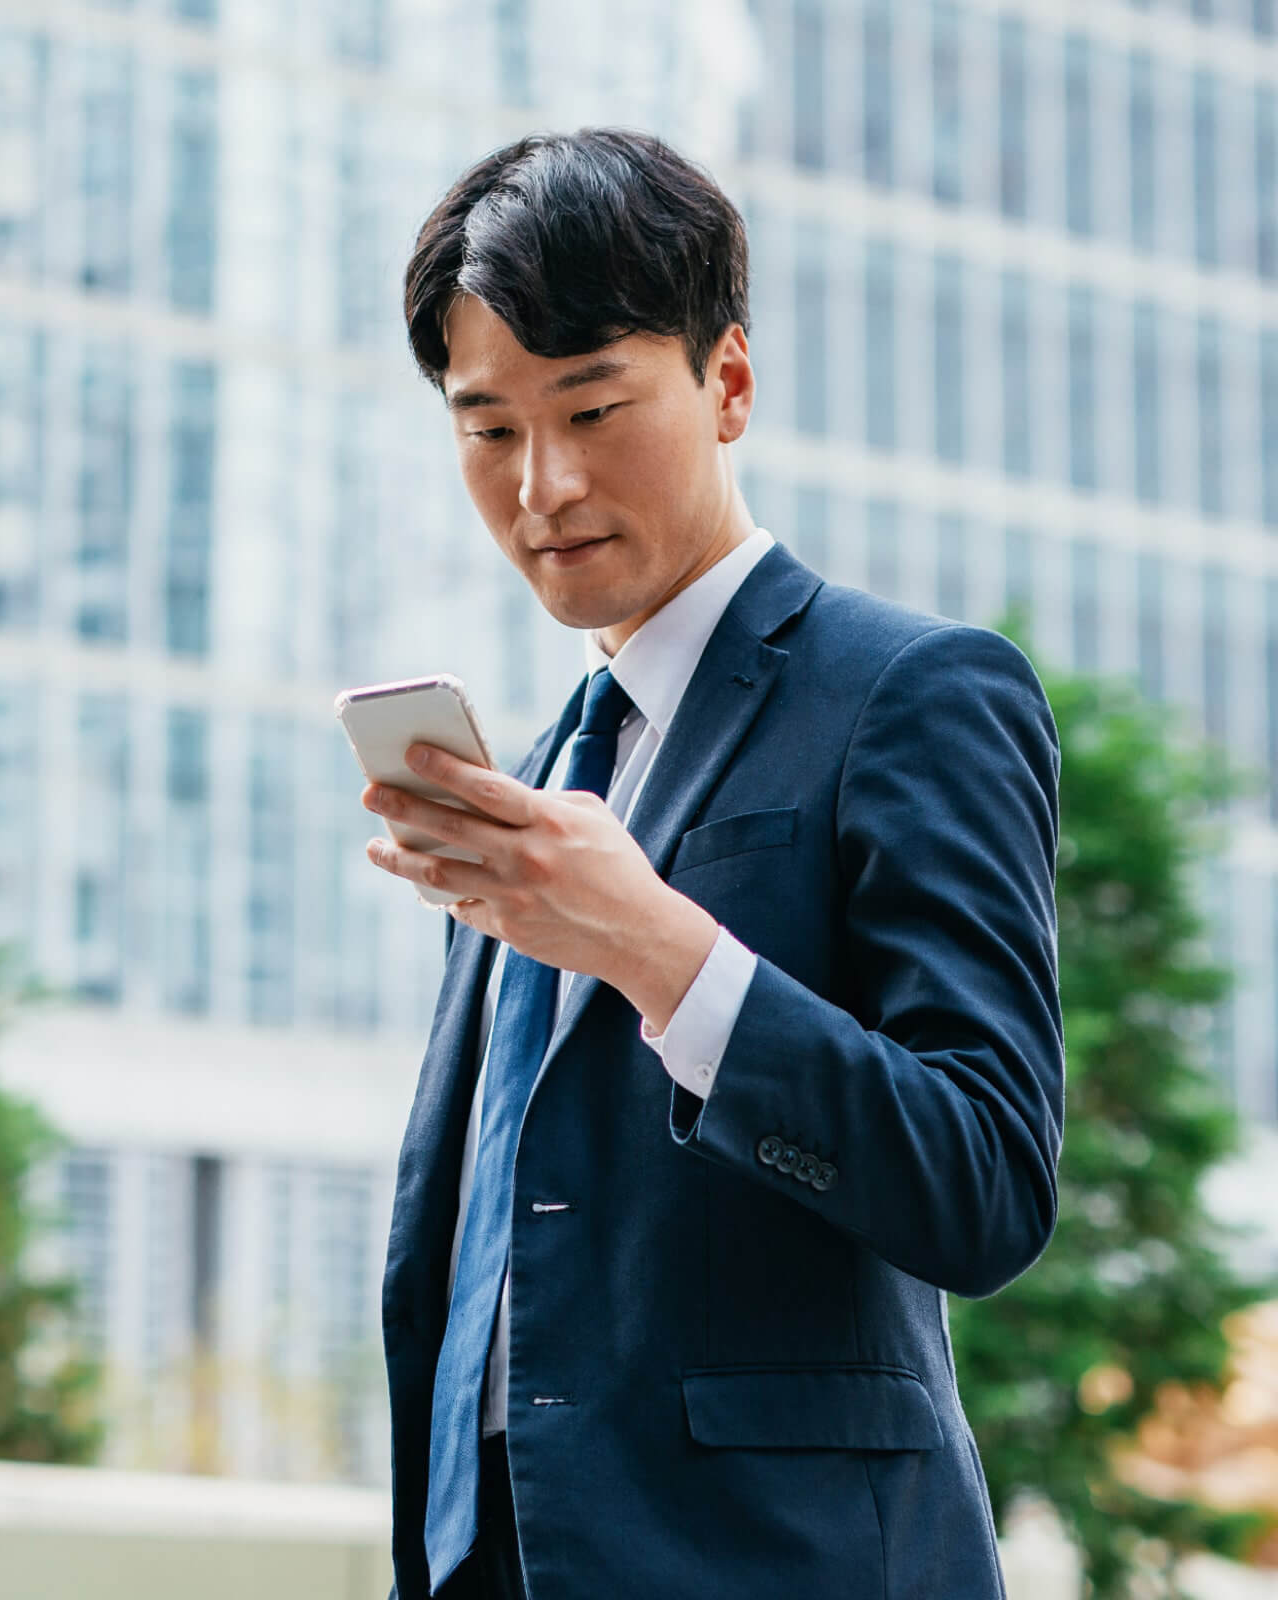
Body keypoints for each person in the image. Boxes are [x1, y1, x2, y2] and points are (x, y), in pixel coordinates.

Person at [362, 127, 1062, 1600]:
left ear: (727, 383)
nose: (542, 486)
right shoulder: (544, 766)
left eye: (592, 408)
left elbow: (988, 1182)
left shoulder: (913, 693)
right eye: (488, 430)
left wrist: (659, 948)